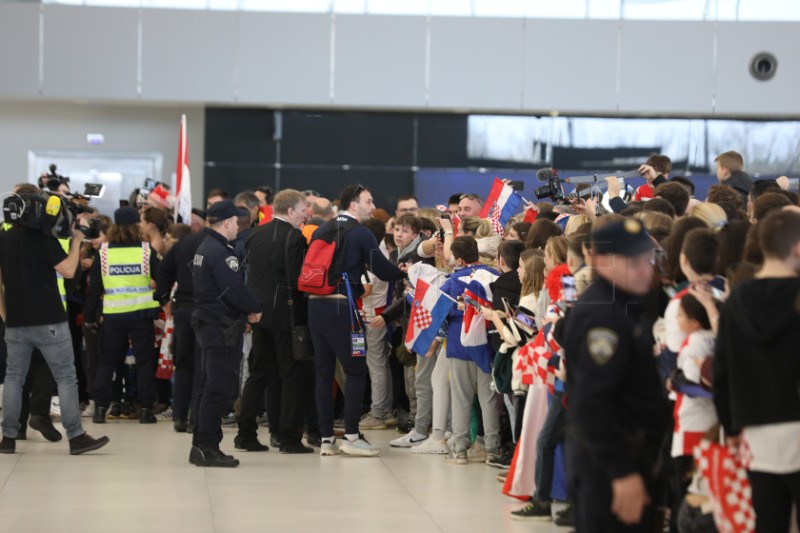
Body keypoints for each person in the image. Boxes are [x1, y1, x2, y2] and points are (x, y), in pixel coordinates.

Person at [563, 218, 668, 532]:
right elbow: (592, 403)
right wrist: (622, 472)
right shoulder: (602, 317)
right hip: (609, 465)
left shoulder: (624, 304)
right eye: (633, 262)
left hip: (628, 457)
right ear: (602, 260)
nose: (644, 269)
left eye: (647, 259)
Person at [0, 190, 109, 455]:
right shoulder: (44, 240)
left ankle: (8, 438)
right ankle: (76, 436)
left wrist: (5, 315)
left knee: (14, 378)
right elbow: (70, 270)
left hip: (15, 321)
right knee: (66, 378)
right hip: (49, 320)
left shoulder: (3, 238)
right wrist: (77, 240)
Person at [713, 209, 800, 532]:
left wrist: (731, 426)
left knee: (768, 518)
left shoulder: (737, 301)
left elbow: (723, 368)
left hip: (754, 428)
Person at [306, 185, 404, 458]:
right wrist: (402, 272)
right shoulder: (360, 233)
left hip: (315, 306)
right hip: (343, 309)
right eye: (368, 201)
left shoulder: (322, 229)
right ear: (353, 204)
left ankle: (326, 438)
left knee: (324, 373)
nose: (373, 207)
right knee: (356, 369)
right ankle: (351, 434)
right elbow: (381, 269)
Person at [236, 189, 315, 454]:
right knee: (291, 375)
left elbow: (250, 274)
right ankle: (289, 438)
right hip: (287, 315)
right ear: (291, 211)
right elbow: (297, 280)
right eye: (303, 209)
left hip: (259, 314)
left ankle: (245, 434)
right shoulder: (294, 237)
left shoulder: (255, 234)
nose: (306, 213)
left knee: (258, 374)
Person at [190, 200, 262, 468]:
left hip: (210, 324)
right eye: (236, 222)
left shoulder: (205, 247)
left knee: (209, 387)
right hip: (219, 328)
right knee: (218, 389)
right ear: (228, 222)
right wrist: (254, 309)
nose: (238, 227)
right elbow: (233, 289)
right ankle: (207, 447)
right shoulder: (221, 252)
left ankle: (200, 445)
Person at [87, 207, 162, 424]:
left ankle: (100, 408)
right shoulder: (147, 251)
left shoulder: (103, 253)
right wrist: (160, 300)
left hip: (113, 316)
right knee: (145, 362)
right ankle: (146, 409)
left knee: (108, 361)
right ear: (136, 226)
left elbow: (93, 291)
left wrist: (91, 316)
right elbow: (163, 276)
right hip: (142, 315)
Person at [154, 217, 209, 433]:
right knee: (201, 365)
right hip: (206, 310)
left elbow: (163, 270)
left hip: (183, 309)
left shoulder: (183, 244)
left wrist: (164, 297)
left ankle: (179, 417)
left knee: (184, 362)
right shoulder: (218, 245)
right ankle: (196, 418)